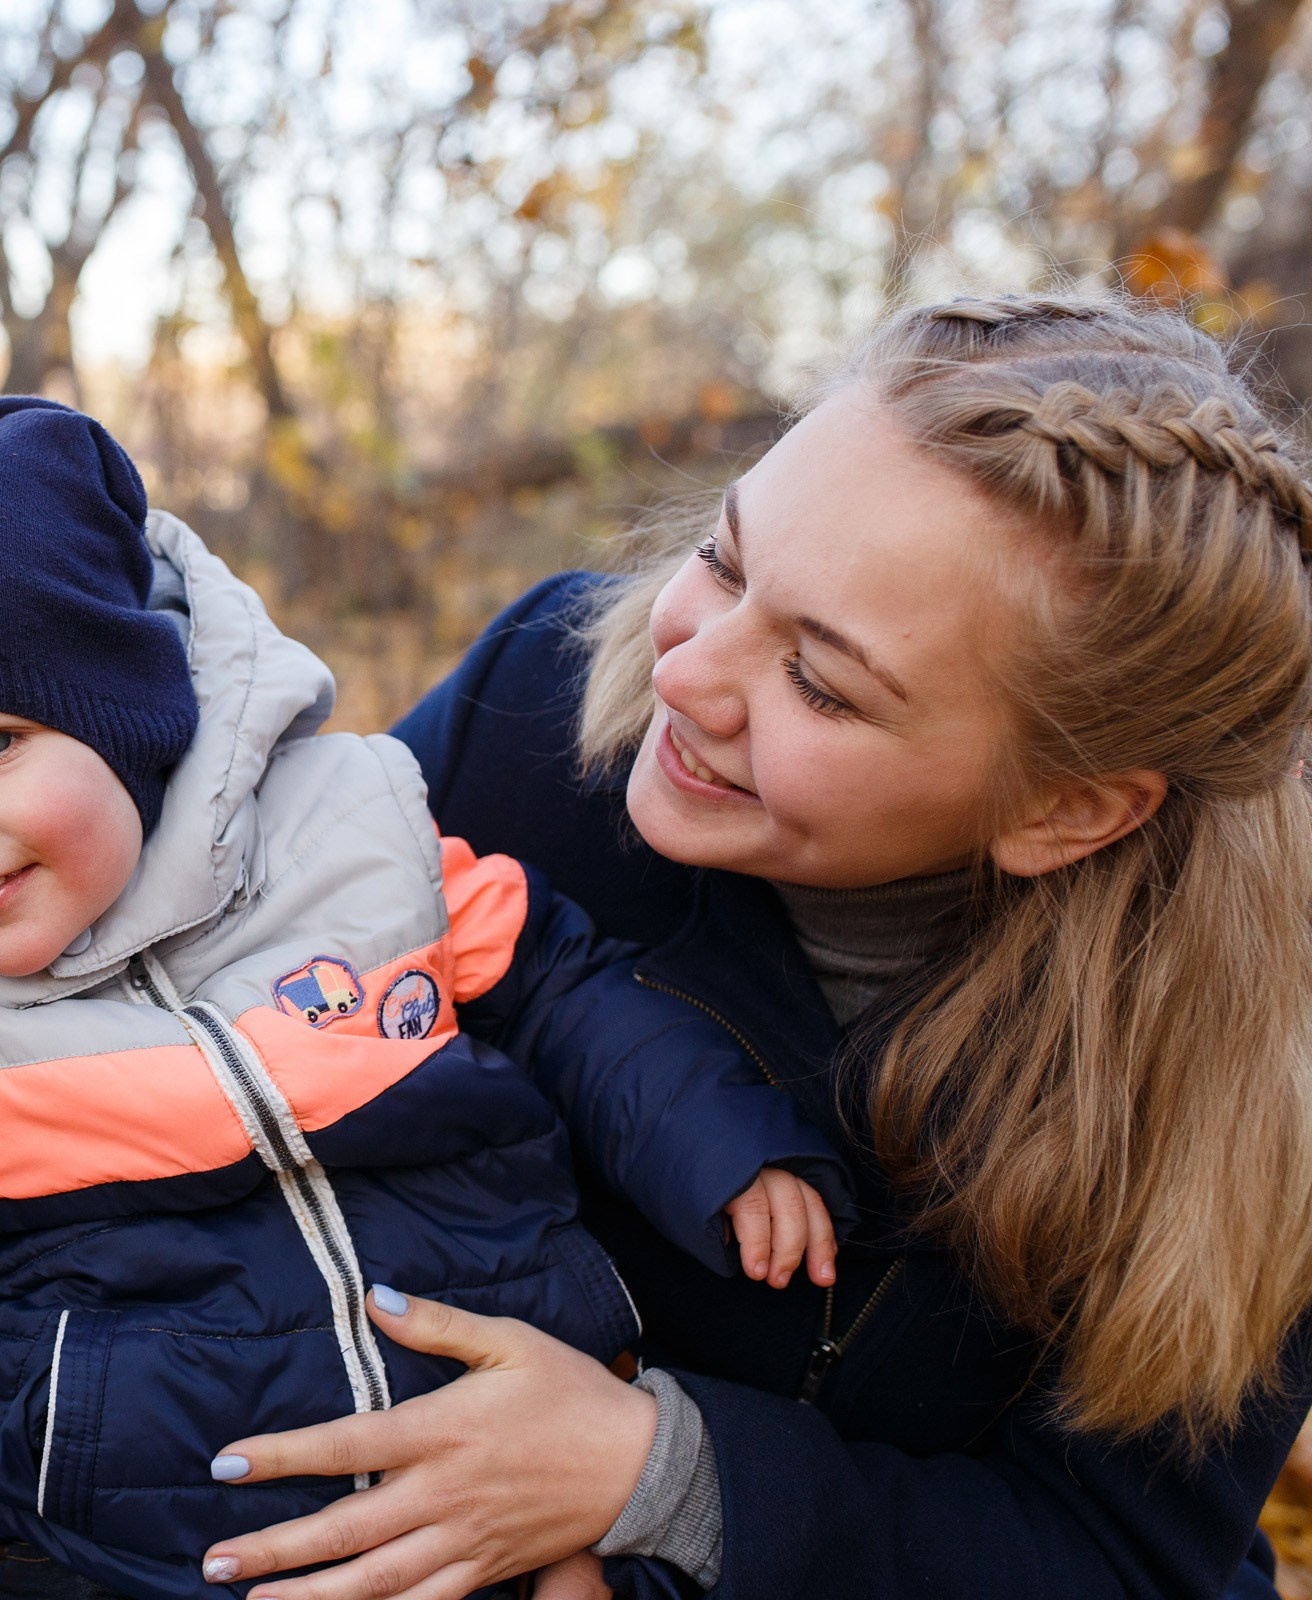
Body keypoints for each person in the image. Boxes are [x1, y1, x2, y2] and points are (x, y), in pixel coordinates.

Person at [0, 397, 854, 1600]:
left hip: (506, 1488)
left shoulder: (360, 844)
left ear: (129, 715)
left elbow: (568, 990)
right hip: (147, 1550)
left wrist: (718, 1146)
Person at [193, 294, 1312, 1600]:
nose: (685, 674)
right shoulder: (535, 716)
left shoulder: (1251, 1076)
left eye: (824, 683)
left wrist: (659, 1475)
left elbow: (1114, 1558)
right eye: (725, 561)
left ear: (1065, 809)